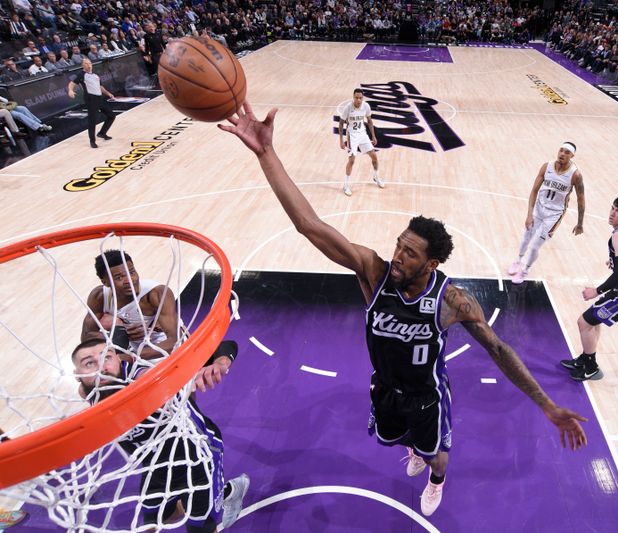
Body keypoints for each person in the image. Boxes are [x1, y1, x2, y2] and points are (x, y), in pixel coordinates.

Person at [219, 102, 588, 517]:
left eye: (409, 254)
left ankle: (436, 479)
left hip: (427, 396)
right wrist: (266, 153)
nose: (397, 256)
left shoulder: (452, 300)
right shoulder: (374, 273)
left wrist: (547, 406)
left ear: (431, 264)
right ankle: (415, 449)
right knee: (396, 438)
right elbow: (310, 225)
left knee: (438, 455)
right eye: (398, 244)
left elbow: (500, 351)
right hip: (384, 389)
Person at [72, 338, 249, 531]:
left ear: (117, 357)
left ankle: (227, 494)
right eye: (89, 363)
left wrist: (220, 363)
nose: (102, 367)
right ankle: (226, 491)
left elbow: (228, 344)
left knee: (200, 528)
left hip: (198, 459)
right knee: (160, 521)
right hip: (156, 466)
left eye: (106, 357)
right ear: (77, 375)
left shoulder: (145, 376)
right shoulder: (88, 392)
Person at [561, 196, 618, 381]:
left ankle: (591, 367)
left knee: (584, 322)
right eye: (612, 208)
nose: (612, 213)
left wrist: (596, 291)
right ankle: (585, 359)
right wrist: (616, 261)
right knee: (592, 321)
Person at [508, 142, 586, 284]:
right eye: (561, 150)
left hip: (554, 215)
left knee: (535, 246)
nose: (562, 154)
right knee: (526, 237)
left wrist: (580, 223)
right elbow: (534, 191)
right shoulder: (547, 166)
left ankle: (525, 270)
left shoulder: (575, 175)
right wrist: (529, 214)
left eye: (567, 152)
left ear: (572, 156)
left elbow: (581, 200)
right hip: (538, 208)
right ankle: (518, 261)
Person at [81, 250, 178, 359]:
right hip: (136, 351)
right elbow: (86, 336)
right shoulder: (99, 297)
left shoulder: (156, 293)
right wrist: (119, 335)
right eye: (119, 277)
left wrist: (125, 358)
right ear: (105, 282)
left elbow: (175, 341)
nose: (129, 280)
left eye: (131, 272)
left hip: (168, 349)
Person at [338, 88, 383, 196]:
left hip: (362, 134)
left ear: (362, 98)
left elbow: (369, 121)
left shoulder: (366, 106)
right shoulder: (348, 108)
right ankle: (345, 185)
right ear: (353, 97)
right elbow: (340, 123)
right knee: (352, 160)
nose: (358, 100)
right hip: (351, 135)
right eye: (356, 98)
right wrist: (341, 140)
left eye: (360, 98)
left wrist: (373, 136)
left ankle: (376, 176)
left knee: (374, 157)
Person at [67, 58, 115, 148]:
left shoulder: (96, 75)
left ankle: (102, 133)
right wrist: (70, 90)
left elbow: (100, 87)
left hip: (99, 98)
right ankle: (92, 141)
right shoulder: (82, 74)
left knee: (111, 115)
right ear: (83, 65)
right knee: (92, 120)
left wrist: (108, 93)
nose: (89, 65)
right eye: (86, 63)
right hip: (90, 99)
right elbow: (72, 83)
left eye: (90, 63)